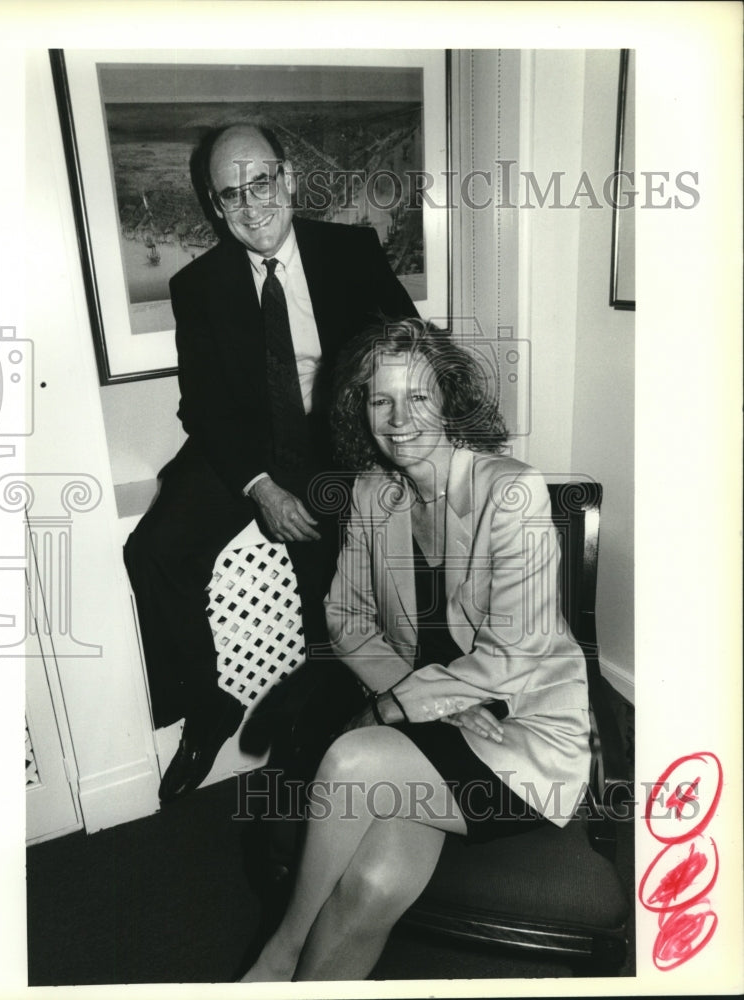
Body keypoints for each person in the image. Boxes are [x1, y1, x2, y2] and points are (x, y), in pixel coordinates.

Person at [241, 319, 592, 982]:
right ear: (360, 407)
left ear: (450, 401)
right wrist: (415, 701)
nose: (399, 421)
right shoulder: (375, 493)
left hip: (519, 730)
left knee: (351, 757)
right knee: (371, 884)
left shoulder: (510, 493)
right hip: (434, 722)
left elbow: (514, 655)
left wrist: (391, 710)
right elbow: (345, 617)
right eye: (381, 401)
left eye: (419, 399)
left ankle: (279, 949)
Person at [123, 124, 416, 803]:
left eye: (262, 183)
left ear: (287, 178)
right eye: (233, 194)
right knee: (155, 551)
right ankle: (210, 703)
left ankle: (323, 736)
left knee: (333, 592)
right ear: (214, 203)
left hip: (335, 447)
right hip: (244, 449)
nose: (252, 206)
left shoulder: (349, 251)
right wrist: (259, 487)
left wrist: (390, 455)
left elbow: (409, 345)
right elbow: (204, 408)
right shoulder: (198, 286)